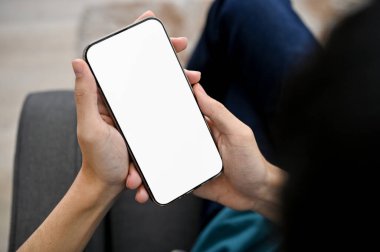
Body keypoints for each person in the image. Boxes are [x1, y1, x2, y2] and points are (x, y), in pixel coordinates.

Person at [17, 0, 380, 251]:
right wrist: (262, 188)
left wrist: (97, 182)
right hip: (280, 197)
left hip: (237, 229)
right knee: (241, 14)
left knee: (239, 17)